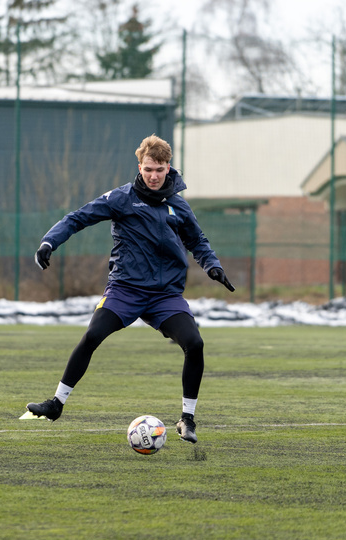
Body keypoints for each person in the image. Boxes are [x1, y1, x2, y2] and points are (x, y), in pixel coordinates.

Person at [26, 135, 235, 444]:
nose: (154, 175)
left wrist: (212, 264)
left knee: (195, 343)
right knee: (93, 335)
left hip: (165, 296)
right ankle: (56, 404)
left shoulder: (179, 205)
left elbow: (198, 241)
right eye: (149, 169)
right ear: (140, 166)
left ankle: (187, 419)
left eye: (160, 169)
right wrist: (49, 241)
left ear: (168, 168)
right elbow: (77, 218)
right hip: (125, 290)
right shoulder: (121, 198)